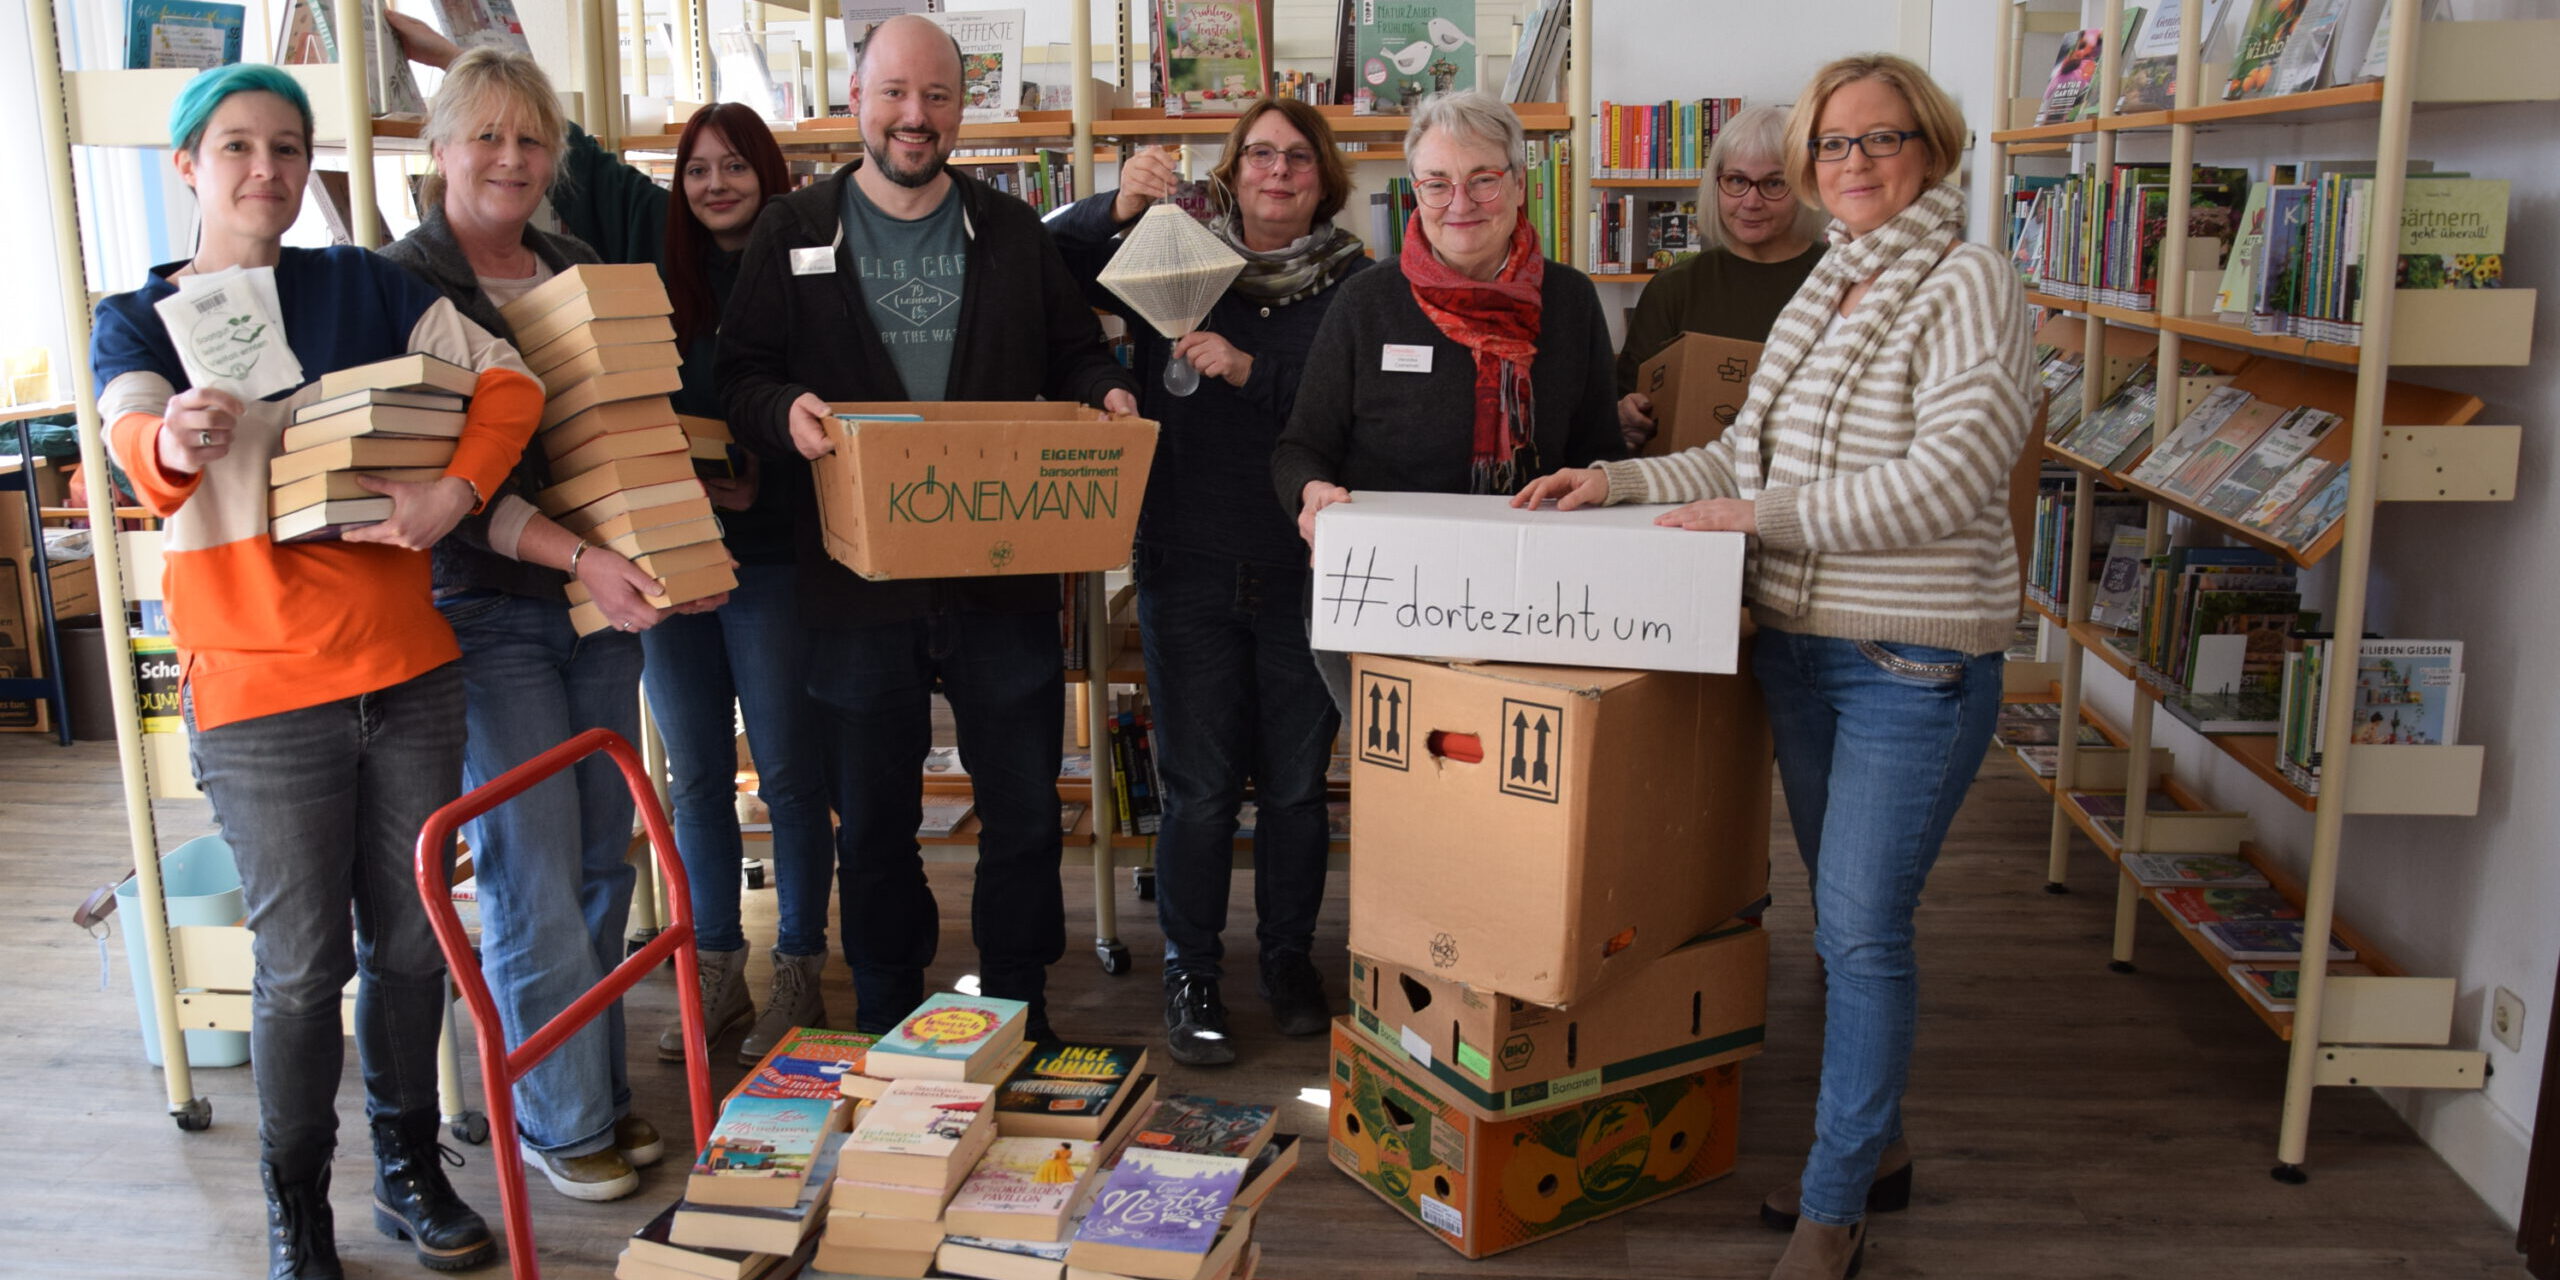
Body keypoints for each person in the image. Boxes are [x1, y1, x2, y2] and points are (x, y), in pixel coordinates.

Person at [1512, 55, 2034, 1280]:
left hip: (1911, 660)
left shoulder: (1971, 282)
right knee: (1840, 923)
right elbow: (1737, 450)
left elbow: (1950, 480)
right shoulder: (1825, 286)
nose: (1852, 166)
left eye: (1880, 140)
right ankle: (1880, 1143)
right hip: (1796, 651)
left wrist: (1758, 520)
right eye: (1833, 147)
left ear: (1934, 147)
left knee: (1860, 934)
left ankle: (1834, 1202)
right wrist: (1618, 481)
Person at [89, 64, 539, 1278]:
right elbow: (132, 436)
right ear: (187, 165)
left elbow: (511, 380)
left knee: (410, 943)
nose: (266, 169)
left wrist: (456, 490)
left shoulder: (365, 285)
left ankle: (407, 1168)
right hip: (256, 684)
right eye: (236, 147)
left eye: (287, 147)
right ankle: (298, 1202)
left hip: (406, 670)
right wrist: (169, 434)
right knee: (300, 969)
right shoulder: (137, 318)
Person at [720, 14, 1139, 1044]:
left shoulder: (1009, 233)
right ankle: (885, 1003)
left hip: (1000, 575)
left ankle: (1018, 1002)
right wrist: (786, 416)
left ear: (963, 107)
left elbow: (1074, 353)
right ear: (857, 97)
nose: (917, 116)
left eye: (939, 97)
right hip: (856, 585)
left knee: (1027, 812)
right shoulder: (793, 231)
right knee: (871, 820)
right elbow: (736, 377)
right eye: (897, 93)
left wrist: (1107, 396)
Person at [379, 47, 713, 1205]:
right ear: (439, 149)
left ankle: (585, 1092)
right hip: (490, 607)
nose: (510, 160)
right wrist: (591, 555)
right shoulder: (402, 282)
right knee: (527, 866)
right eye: (486, 137)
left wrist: (675, 549)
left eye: (531, 140)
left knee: (590, 855)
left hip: (600, 598)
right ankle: (557, 1117)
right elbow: (434, 488)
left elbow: (620, 438)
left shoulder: (571, 264)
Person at [1048, 101, 1371, 1066]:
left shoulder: (1356, 283)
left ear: (1325, 176)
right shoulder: (1174, 253)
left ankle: (1286, 961)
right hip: (1185, 560)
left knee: (1296, 791)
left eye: (1298, 157)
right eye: (1259, 154)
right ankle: (1192, 973)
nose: (1278, 171)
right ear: (1232, 169)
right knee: (1193, 792)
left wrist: (1246, 367)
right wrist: (1114, 204)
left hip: (1307, 566)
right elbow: (1041, 266)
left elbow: (1348, 407)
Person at [1271, 88, 1623, 712]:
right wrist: (1311, 494)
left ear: (1519, 184)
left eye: (1483, 180)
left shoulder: (1569, 302)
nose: (1460, 204)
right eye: (1437, 183)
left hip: (1536, 606)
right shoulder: (1366, 303)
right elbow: (1301, 448)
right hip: (1383, 603)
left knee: (1517, 802)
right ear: (1415, 191)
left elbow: (1600, 452)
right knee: (1415, 794)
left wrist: (1597, 482)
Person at [1614, 103, 1827, 452]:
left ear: (1805, 186)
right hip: (1686, 489)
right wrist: (1625, 417)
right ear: (1717, 183)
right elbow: (1627, 401)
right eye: (1737, 181)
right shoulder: (1675, 287)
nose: (1751, 201)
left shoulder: (1841, 280)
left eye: (1774, 183)